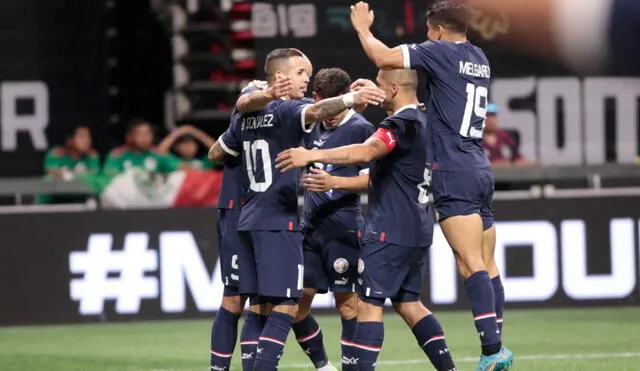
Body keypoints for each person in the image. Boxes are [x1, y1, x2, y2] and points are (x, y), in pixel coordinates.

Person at [349, 1, 513, 370]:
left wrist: (362, 28)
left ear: (438, 30)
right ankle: (497, 343)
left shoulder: (440, 50)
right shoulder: (479, 57)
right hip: (478, 165)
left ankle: (492, 350)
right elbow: (446, 102)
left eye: (428, 30)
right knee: (487, 262)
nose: (426, 37)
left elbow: (384, 56)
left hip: (453, 169)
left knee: (470, 263)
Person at [208, 47, 385, 371]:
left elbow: (216, 149)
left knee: (254, 303)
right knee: (286, 303)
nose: (307, 79)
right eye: (303, 73)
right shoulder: (290, 110)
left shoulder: (246, 111)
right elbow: (317, 111)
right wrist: (350, 99)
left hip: (246, 216)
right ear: (281, 75)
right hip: (278, 219)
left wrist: (259, 93)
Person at [276, 68, 457, 371]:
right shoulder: (426, 120)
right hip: (418, 224)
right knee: (409, 304)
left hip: (388, 229)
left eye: (382, 86)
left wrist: (310, 159)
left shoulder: (396, 124)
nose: (376, 92)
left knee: (367, 305)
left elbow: (366, 152)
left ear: (396, 88)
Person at [293, 67, 375, 371]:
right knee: (296, 303)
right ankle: (324, 367)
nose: (330, 113)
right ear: (316, 98)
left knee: (348, 304)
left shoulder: (361, 129)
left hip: (343, 226)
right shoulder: (310, 122)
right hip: (309, 227)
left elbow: (373, 181)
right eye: (325, 103)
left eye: (338, 103)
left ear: (347, 99)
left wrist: (334, 183)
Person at [103, 119, 184, 175]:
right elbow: (108, 179)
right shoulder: (117, 154)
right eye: (141, 134)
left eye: (148, 133)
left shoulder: (158, 153)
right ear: (129, 137)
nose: (146, 137)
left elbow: (185, 170)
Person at [156, 125, 222, 170]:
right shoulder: (172, 161)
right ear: (175, 147)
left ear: (196, 146)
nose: (188, 147)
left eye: (191, 143)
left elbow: (219, 150)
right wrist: (180, 131)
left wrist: (195, 132)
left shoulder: (205, 163)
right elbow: (160, 151)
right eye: (184, 143)